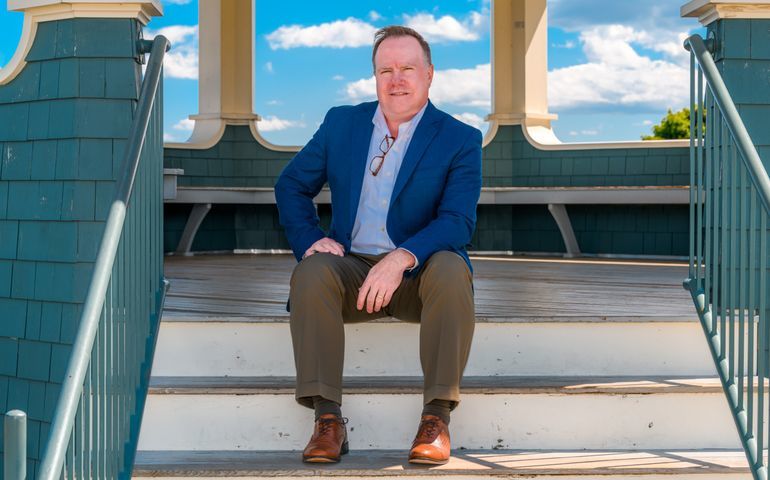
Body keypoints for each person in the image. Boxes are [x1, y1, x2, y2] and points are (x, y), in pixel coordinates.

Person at [275, 25, 482, 465]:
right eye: (385, 69)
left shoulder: (460, 138)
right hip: (350, 268)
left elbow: (457, 221)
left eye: (408, 68)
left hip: (418, 275)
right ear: (374, 76)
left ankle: (437, 418)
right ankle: (327, 420)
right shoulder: (341, 123)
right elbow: (291, 184)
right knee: (310, 272)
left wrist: (402, 257)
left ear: (429, 75)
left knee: (451, 267)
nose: (396, 79)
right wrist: (311, 239)